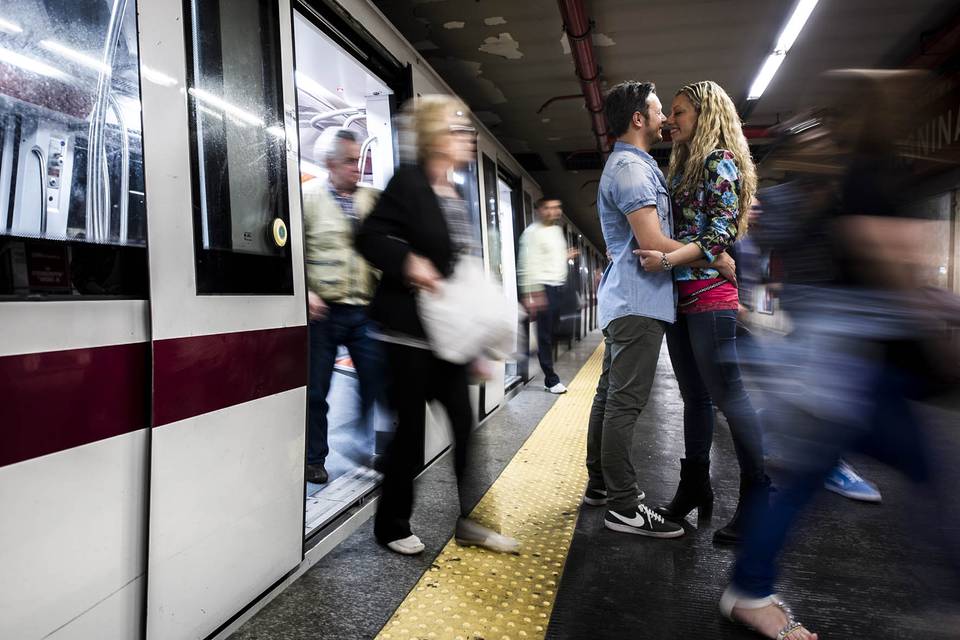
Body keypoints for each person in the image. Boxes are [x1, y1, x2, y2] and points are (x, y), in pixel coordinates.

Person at [721, 69, 958, 640]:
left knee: (822, 477)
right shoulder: (867, 175)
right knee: (908, 475)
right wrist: (934, 320)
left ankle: (750, 586)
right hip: (852, 362)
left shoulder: (822, 183)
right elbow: (884, 251)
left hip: (841, 360)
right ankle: (749, 590)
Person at [356, 95, 519, 556]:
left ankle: (473, 521)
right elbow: (367, 237)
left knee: (466, 427)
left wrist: (480, 345)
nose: (466, 137)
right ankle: (391, 525)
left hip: (447, 335)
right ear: (434, 137)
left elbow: (461, 270)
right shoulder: (407, 183)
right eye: (456, 129)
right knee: (409, 434)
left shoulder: (456, 191)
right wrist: (408, 261)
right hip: (404, 334)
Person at [584, 80, 735, 538]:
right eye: (656, 108)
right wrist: (714, 255)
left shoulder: (637, 164)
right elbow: (651, 243)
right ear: (637, 119)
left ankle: (600, 486)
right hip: (639, 301)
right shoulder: (630, 169)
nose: (664, 117)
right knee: (625, 403)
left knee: (610, 397)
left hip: (630, 299)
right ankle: (625, 507)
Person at [636, 80, 769, 545]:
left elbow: (718, 235)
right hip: (681, 298)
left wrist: (671, 259)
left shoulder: (720, 161)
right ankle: (695, 486)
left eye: (680, 113)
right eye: (669, 113)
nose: (671, 121)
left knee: (729, 397)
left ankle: (758, 497)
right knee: (695, 398)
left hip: (710, 298)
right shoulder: (681, 166)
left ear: (706, 114)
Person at [303, 128, 384, 485]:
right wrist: (305, 290)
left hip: (363, 308)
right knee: (316, 389)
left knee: (374, 379)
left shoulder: (372, 200)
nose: (358, 167)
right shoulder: (307, 198)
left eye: (359, 160)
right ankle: (314, 458)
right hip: (323, 312)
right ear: (330, 163)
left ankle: (360, 441)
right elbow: (294, 251)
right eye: (350, 161)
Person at [518, 198, 572, 394]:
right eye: (548, 208)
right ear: (539, 210)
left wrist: (565, 257)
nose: (553, 211)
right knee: (545, 336)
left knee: (551, 333)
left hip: (558, 288)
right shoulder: (532, 233)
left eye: (557, 207)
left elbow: (551, 257)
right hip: (543, 288)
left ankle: (535, 357)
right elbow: (526, 264)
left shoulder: (557, 231)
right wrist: (532, 292)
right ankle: (550, 379)